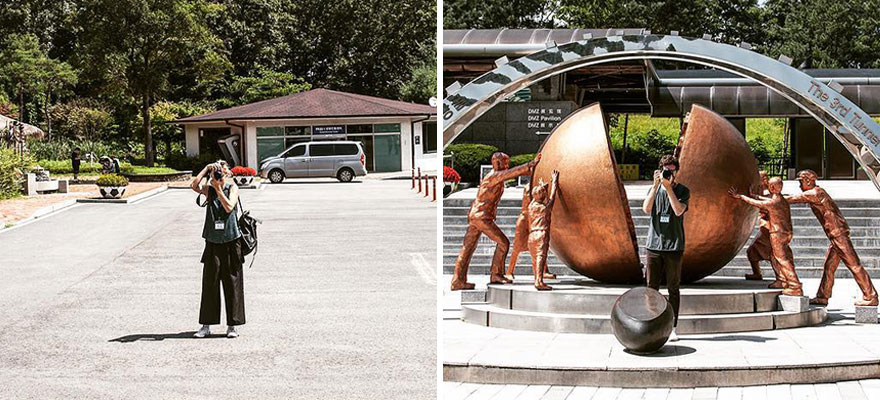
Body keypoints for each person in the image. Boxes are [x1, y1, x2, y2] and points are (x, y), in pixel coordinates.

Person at [786, 170, 878, 306]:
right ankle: (823, 296)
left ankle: (871, 296)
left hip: (838, 234)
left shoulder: (815, 193)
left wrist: (769, 196)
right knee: (829, 266)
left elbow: (790, 199)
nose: (799, 185)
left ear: (808, 180)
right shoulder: (815, 192)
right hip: (835, 234)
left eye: (801, 181)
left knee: (854, 265)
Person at [450, 152, 541, 290]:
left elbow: (513, 173)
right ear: (496, 163)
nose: (506, 165)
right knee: (503, 243)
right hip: (482, 217)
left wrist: (536, 171)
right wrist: (530, 164)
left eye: (506, 162)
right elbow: (512, 173)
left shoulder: (496, 175)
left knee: (467, 248)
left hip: (477, 215)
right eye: (504, 162)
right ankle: (496, 274)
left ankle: (458, 280)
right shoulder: (494, 175)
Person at [190, 160, 246, 338]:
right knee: (210, 284)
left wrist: (220, 188)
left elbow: (229, 207)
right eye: (218, 170)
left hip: (231, 241)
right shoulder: (209, 189)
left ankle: (232, 326)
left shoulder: (233, 188)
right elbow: (194, 185)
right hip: (212, 241)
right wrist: (206, 169)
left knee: (232, 284)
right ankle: (206, 326)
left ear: (228, 173)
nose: (220, 173)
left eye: (223, 170)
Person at [728, 178, 803, 298]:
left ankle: (795, 286)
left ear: (771, 188)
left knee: (782, 259)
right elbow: (764, 200)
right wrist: (754, 195)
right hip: (785, 233)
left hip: (778, 233)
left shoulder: (773, 203)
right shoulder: (781, 199)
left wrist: (740, 196)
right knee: (774, 257)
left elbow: (757, 204)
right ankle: (781, 280)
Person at [642, 155, 689, 342]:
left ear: (676, 171)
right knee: (651, 287)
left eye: (672, 170)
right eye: (666, 170)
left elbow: (678, 211)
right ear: (660, 170)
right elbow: (646, 209)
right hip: (654, 245)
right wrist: (655, 186)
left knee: (673, 288)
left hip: (674, 246)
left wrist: (669, 189)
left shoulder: (683, 190)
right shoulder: (654, 189)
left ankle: (673, 326)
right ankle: (651, 322)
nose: (669, 173)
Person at [745, 171, 784, 287]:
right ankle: (757, 273)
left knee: (773, 254)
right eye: (761, 178)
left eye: (765, 178)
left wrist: (744, 197)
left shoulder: (772, 195)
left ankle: (780, 278)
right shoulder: (760, 191)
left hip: (771, 228)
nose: (763, 180)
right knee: (752, 251)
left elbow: (763, 203)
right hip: (764, 228)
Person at [526, 170, 560, 290]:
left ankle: (537, 278)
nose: (545, 193)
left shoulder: (531, 206)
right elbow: (552, 197)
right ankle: (539, 281)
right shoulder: (544, 208)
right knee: (541, 256)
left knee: (535, 259)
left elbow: (540, 194)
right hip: (541, 233)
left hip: (531, 235)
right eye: (543, 192)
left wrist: (542, 185)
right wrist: (554, 182)